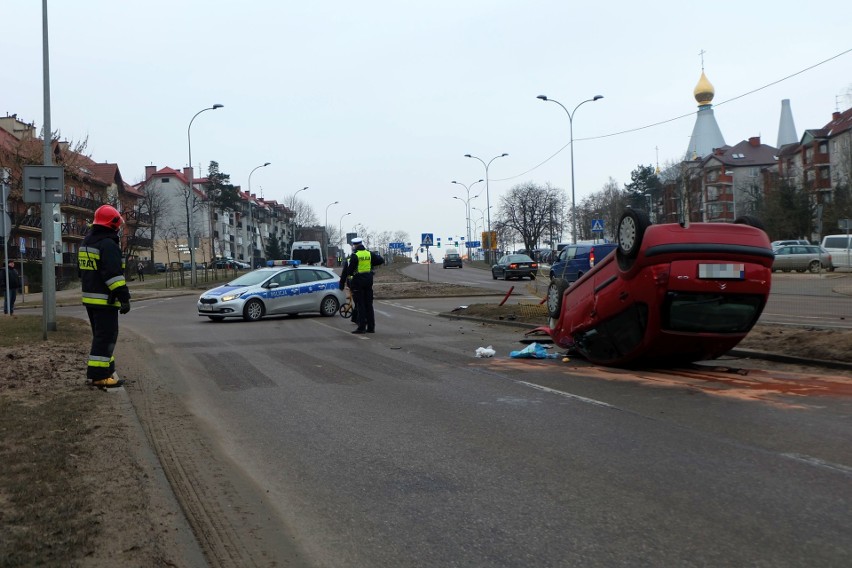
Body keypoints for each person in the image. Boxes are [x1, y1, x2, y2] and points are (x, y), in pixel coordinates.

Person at [78, 205, 131, 388]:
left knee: (101, 337)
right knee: (106, 337)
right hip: (104, 300)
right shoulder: (108, 244)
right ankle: (99, 377)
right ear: (113, 224)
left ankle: (107, 371)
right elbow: (113, 276)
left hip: (90, 299)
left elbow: (82, 272)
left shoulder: (87, 242)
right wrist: (124, 297)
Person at [339, 237, 383, 334]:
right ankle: (371, 327)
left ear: (354, 245)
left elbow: (348, 271)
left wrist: (343, 282)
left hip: (358, 282)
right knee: (369, 305)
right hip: (368, 281)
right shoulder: (369, 254)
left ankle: (361, 327)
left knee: (360, 305)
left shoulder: (354, 256)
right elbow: (381, 260)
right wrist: (371, 265)